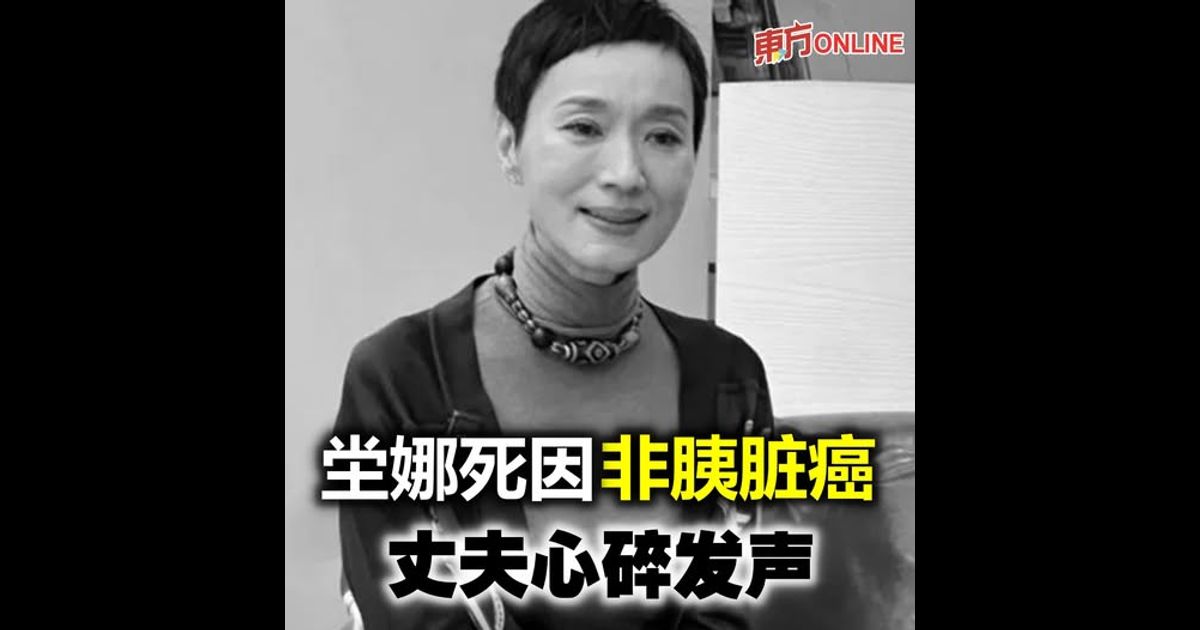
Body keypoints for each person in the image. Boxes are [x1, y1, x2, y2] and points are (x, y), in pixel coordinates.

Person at [333, 2, 774, 628]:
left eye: (663, 137)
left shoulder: (731, 377)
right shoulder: (401, 375)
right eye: (585, 127)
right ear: (509, 144)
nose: (626, 173)